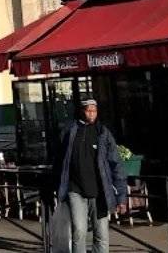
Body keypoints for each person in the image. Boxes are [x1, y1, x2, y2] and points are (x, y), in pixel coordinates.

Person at [55, 97, 127, 253]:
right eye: (89, 110)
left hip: (100, 191)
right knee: (78, 231)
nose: (92, 113)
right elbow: (58, 162)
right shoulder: (69, 132)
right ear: (81, 111)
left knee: (101, 234)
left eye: (95, 110)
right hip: (76, 190)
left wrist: (121, 197)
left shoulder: (103, 133)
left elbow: (116, 164)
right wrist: (53, 187)